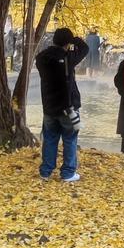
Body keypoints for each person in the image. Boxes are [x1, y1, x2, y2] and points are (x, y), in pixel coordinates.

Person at [35, 26, 88, 182]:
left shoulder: (41, 58)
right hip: (68, 107)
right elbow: (85, 48)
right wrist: (74, 39)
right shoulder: (67, 58)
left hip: (49, 106)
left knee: (50, 139)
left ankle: (45, 172)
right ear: (67, 42)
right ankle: (68, 173)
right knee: (70, 139)